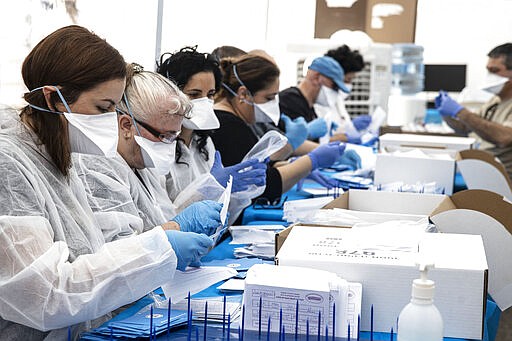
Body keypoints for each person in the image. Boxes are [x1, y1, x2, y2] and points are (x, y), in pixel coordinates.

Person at [0, 25, 189, 340]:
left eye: (114, 107)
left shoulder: (59, 153)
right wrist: (155, 251)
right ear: (54, 98)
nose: (111, 120)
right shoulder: (9, 163)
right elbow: (44, 296)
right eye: (103, 108)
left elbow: (86, 254)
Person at [74, 63, 220, 255]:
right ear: (126, 125)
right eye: (164, 136)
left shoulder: (142, 164)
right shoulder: (97, 168)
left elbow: (161, 216)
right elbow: (119, 251)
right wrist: (177, 228)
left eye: (174, 136)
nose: (170, 144)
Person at [212, 53, 347, 202]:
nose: (273, 105)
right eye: (269, 98)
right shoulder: (228, 126)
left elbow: (262, 167)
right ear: (243, 94)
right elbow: (264, 185)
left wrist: (292, 166)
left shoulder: (236, 121)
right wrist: (310, 162)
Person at [156, 47, 267, 223]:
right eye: (194, 94)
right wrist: (211, 186)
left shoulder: (204, 143)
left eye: (210, 95)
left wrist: (239, 192)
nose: (204, 102)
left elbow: (219, 214)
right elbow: (167, 220)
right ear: (170, 93)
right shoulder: (157, 147)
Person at [435, 43, 512, 179]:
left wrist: (460, 112)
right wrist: (446, 114)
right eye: (488, 70)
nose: (489, 76)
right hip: (485, 170)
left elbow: (504, 138)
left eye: (495, 70)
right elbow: (466, 127)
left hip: (504, 178)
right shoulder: (495, 100)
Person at [279, 55, 371, 144]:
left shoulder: (309, 107)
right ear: (316, 77)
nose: (335, 93)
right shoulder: (289, 101)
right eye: (334, 86)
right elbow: (289, 145)